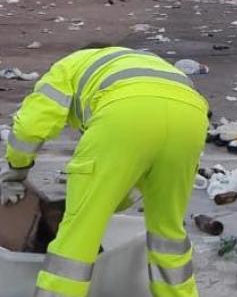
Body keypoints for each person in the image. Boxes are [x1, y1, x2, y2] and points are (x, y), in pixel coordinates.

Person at [0, 46, 209, 297]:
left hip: (124, 114)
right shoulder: (139, 62)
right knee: (168, 234)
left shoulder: (69, 66)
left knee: (77, 238)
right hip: (191, 119)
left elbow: (29, 128)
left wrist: (16, 172)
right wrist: (108, 198)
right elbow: (136, 177)